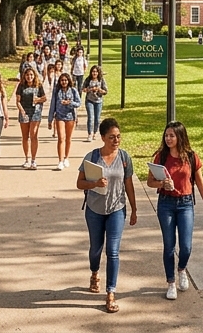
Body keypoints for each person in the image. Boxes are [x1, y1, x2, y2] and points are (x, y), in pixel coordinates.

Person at [77, 117, 138, 314]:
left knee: (113, 251)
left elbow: (128, 184)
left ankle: (110, 292)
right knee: (96, 248)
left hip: (116, 209)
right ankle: (94, 273)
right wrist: (94, 184)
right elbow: (79, 183)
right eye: (112, 137)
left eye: (118, 137)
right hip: (94, 210)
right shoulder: (92, 157)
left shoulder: (124, 157)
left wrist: (134, 209)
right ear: (103, 138)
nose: (116, 140)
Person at [147, 122, 203, 300]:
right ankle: (171, 283)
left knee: (186, 246)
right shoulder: (160, 157)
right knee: (169, 246)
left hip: (186, 204)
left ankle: (182, 268)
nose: (168, 138)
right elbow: (150, 182)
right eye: (166, 135)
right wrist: (161, 184)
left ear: (180, 137)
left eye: (172, 136)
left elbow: (199, 182)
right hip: (166, 204)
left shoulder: (191, 157)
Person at [16, 68, 46, 169]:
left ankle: (33, 160)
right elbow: (18, 101)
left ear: (34, 76)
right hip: (24, 112)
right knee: (25, 136)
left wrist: (38, 100)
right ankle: (27, 159)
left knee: (33, 135)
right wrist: (21, 110)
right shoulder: (21, 86)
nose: (29, 77)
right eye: (27, 75)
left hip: (35, 112)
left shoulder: (38, 85)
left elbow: (44, 98)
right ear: (24, 76)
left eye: (31, 75)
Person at [52, 73, 81, 169]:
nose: (64, 82)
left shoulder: (73, 91)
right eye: (62, 80)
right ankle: (60, 160)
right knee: (61, 138)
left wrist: (70, 103)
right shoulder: (57, 91)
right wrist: (50, 118)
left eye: (65, 80)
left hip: (70, 116)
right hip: (59, 116)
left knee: (68, 138)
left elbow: (78, 103)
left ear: (68, 81)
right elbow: (53, 104)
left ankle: (66, 158)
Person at [82, 65, 108, 142]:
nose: (94, 73)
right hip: (89, 100)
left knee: (97, 119)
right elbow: (83, 89)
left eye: (96, 72)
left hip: (98, 101)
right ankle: (90, 134)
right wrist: (89, 89)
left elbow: (105, 91)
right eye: (93, 71)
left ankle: (95, 132)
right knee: (91, 117)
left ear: (98, 72)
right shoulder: (88, 79)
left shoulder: (101, 80)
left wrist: (99, 90)